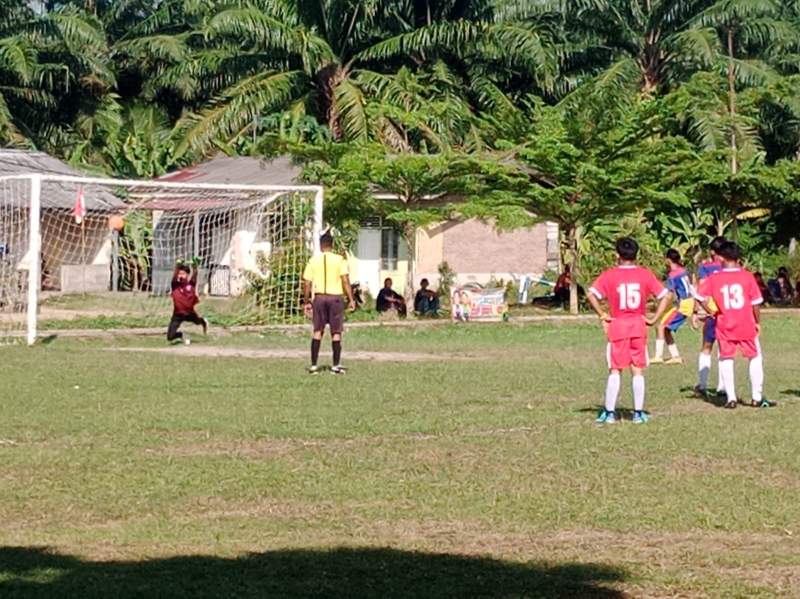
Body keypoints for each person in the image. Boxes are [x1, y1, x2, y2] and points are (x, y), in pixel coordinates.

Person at [587, 237, 672, 424]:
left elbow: (591, 293)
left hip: (618, 325)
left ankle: (609, 413)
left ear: (617, 255)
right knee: (637, 369)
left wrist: (602, 313)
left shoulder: (610, 275)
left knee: (615, 369)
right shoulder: (644, 274)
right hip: (638, 326)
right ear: (636, 254)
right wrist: (655, 318)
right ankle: (638, 413)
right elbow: (666, 296)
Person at [694, 241, 775, 409]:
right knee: (754, 357)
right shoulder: (747, 276)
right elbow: (756, 303)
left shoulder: (714, 278)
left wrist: (710, 311)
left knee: (726, 358)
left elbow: (698, 296)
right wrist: (757, 322)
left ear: (721, 257)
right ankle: (757, 397)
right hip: (746, 323)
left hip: (725, 324)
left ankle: (730, 398)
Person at [302, 232, 356, 374]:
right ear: (332, 245)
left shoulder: (313, 261)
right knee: (336, 332)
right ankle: (335, 365)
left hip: (319, 298)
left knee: (317, 331)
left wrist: (306, 300)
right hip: (335, 298)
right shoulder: (340, 260)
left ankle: (314, 366)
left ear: (320, 246)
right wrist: (351, 299)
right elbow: (345, 280)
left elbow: (307, 282)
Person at [692, 236, 727, 399]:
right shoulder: (727, 267)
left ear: (712, 251)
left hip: (711, 312)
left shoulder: (705, 268)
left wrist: (696, 311)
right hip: (727, 312)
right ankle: (722, 386)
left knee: (706, 347)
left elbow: (701, 291)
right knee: (724, 348)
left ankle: (703, 384)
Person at [652, 249, 694, 365]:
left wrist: (662, 303)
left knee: (660, 326)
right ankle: (675, 356)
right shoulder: (684, 271)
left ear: (668, 260)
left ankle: (658, 356)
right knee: (666, 330)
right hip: (689, 302)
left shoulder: (672, 275)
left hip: (683, 305)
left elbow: (670, 294)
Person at [167, 257, 207, 344]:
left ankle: (203, 321)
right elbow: (174, 275)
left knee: (198, 322)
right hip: (178, 314)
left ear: (187, 275)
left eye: (183, 274)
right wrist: (178, 266)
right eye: (179, 274)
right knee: (170, 337)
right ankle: (180, 335)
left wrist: (195, 266)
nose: (180, 275)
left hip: (189, 313)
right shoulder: (175, 285)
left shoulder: (191, 284)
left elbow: (195, 274)